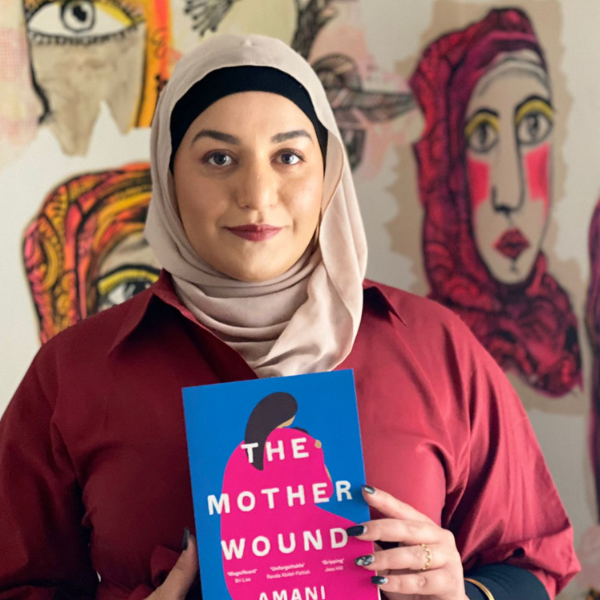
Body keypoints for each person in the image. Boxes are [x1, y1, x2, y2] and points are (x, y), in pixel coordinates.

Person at [0, 33, 579, 600]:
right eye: (219, 158)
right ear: (169, 175)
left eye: (289, 156)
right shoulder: (73, 372)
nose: (257, 194)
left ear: (327, 172)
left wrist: (467, 594)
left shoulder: (435, 348)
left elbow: (533, 563)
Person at [410, 8, 580, 397]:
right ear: (451, 170)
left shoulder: (566, 327)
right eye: (483, 135)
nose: (509, 195)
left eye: (533, 126)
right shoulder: (425, 351)